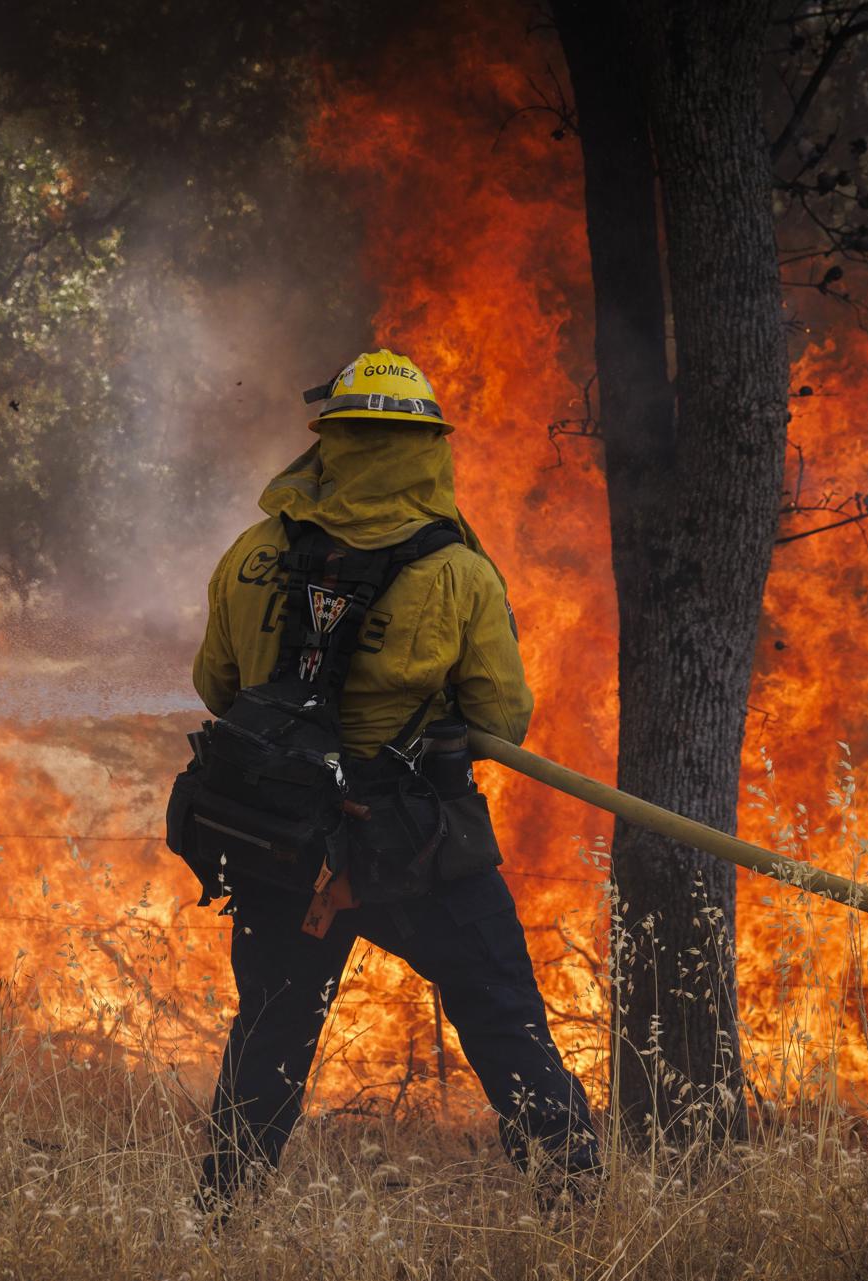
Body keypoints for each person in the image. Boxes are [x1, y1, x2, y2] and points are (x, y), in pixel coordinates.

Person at [188, 347, 599, 1209]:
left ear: (328, 445)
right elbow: (502, 717)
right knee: (501, 1015)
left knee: (268, 1034)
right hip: (408, 843)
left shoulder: (252, 552)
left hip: (279, 838)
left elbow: (218, 689)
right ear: (427, 449)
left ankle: (218, 1214)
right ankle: (579, 1210)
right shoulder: (455, 573)